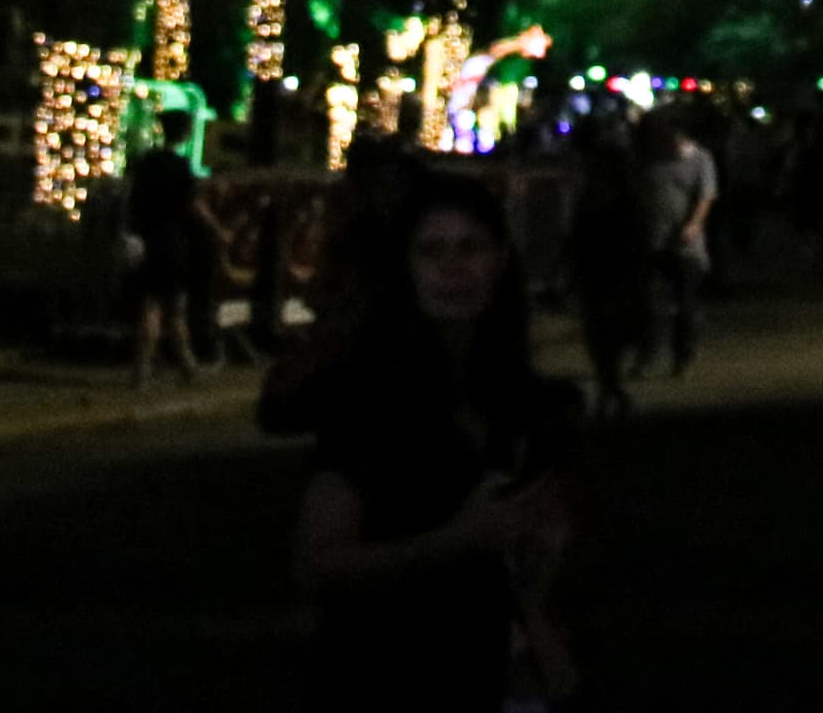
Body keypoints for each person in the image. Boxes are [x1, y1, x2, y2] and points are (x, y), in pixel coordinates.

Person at [291, 172, 581, 711]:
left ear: (499, 260)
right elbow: (319, 562)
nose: (454, 268)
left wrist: (542, 561)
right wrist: (458, 539)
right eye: (433, 251)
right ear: (406, 267)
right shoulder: (369, 400)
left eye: (471, 248)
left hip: (491, 667)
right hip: (384, 670)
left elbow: (534, 561)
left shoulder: (531, 402)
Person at [560, 119, 651, 418]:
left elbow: (579, 234)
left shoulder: (609, 195)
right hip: (604, 270)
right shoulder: (610, 194)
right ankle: (611, 389)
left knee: (605, 333)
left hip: (609, 270)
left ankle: (610, 388)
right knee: (603, 333)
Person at [125, 108, 217, 386]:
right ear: (184, 133)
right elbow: (193, 206)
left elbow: (134, 201)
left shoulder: (147, 163)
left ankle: (142, 369)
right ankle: (187, 364)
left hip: (148, 241)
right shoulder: (181, 167)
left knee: (150, 305)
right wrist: (216, 229)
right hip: (173, 241)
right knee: (176, 307)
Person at [641, 113, 716, 374]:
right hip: (654, 241)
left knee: (684, 304)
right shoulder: (651, 159)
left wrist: (694, 223)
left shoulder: (700, 159)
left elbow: (706, 195)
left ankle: (681, 356)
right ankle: (647, 355)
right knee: (648, 304)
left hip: (686, 246)